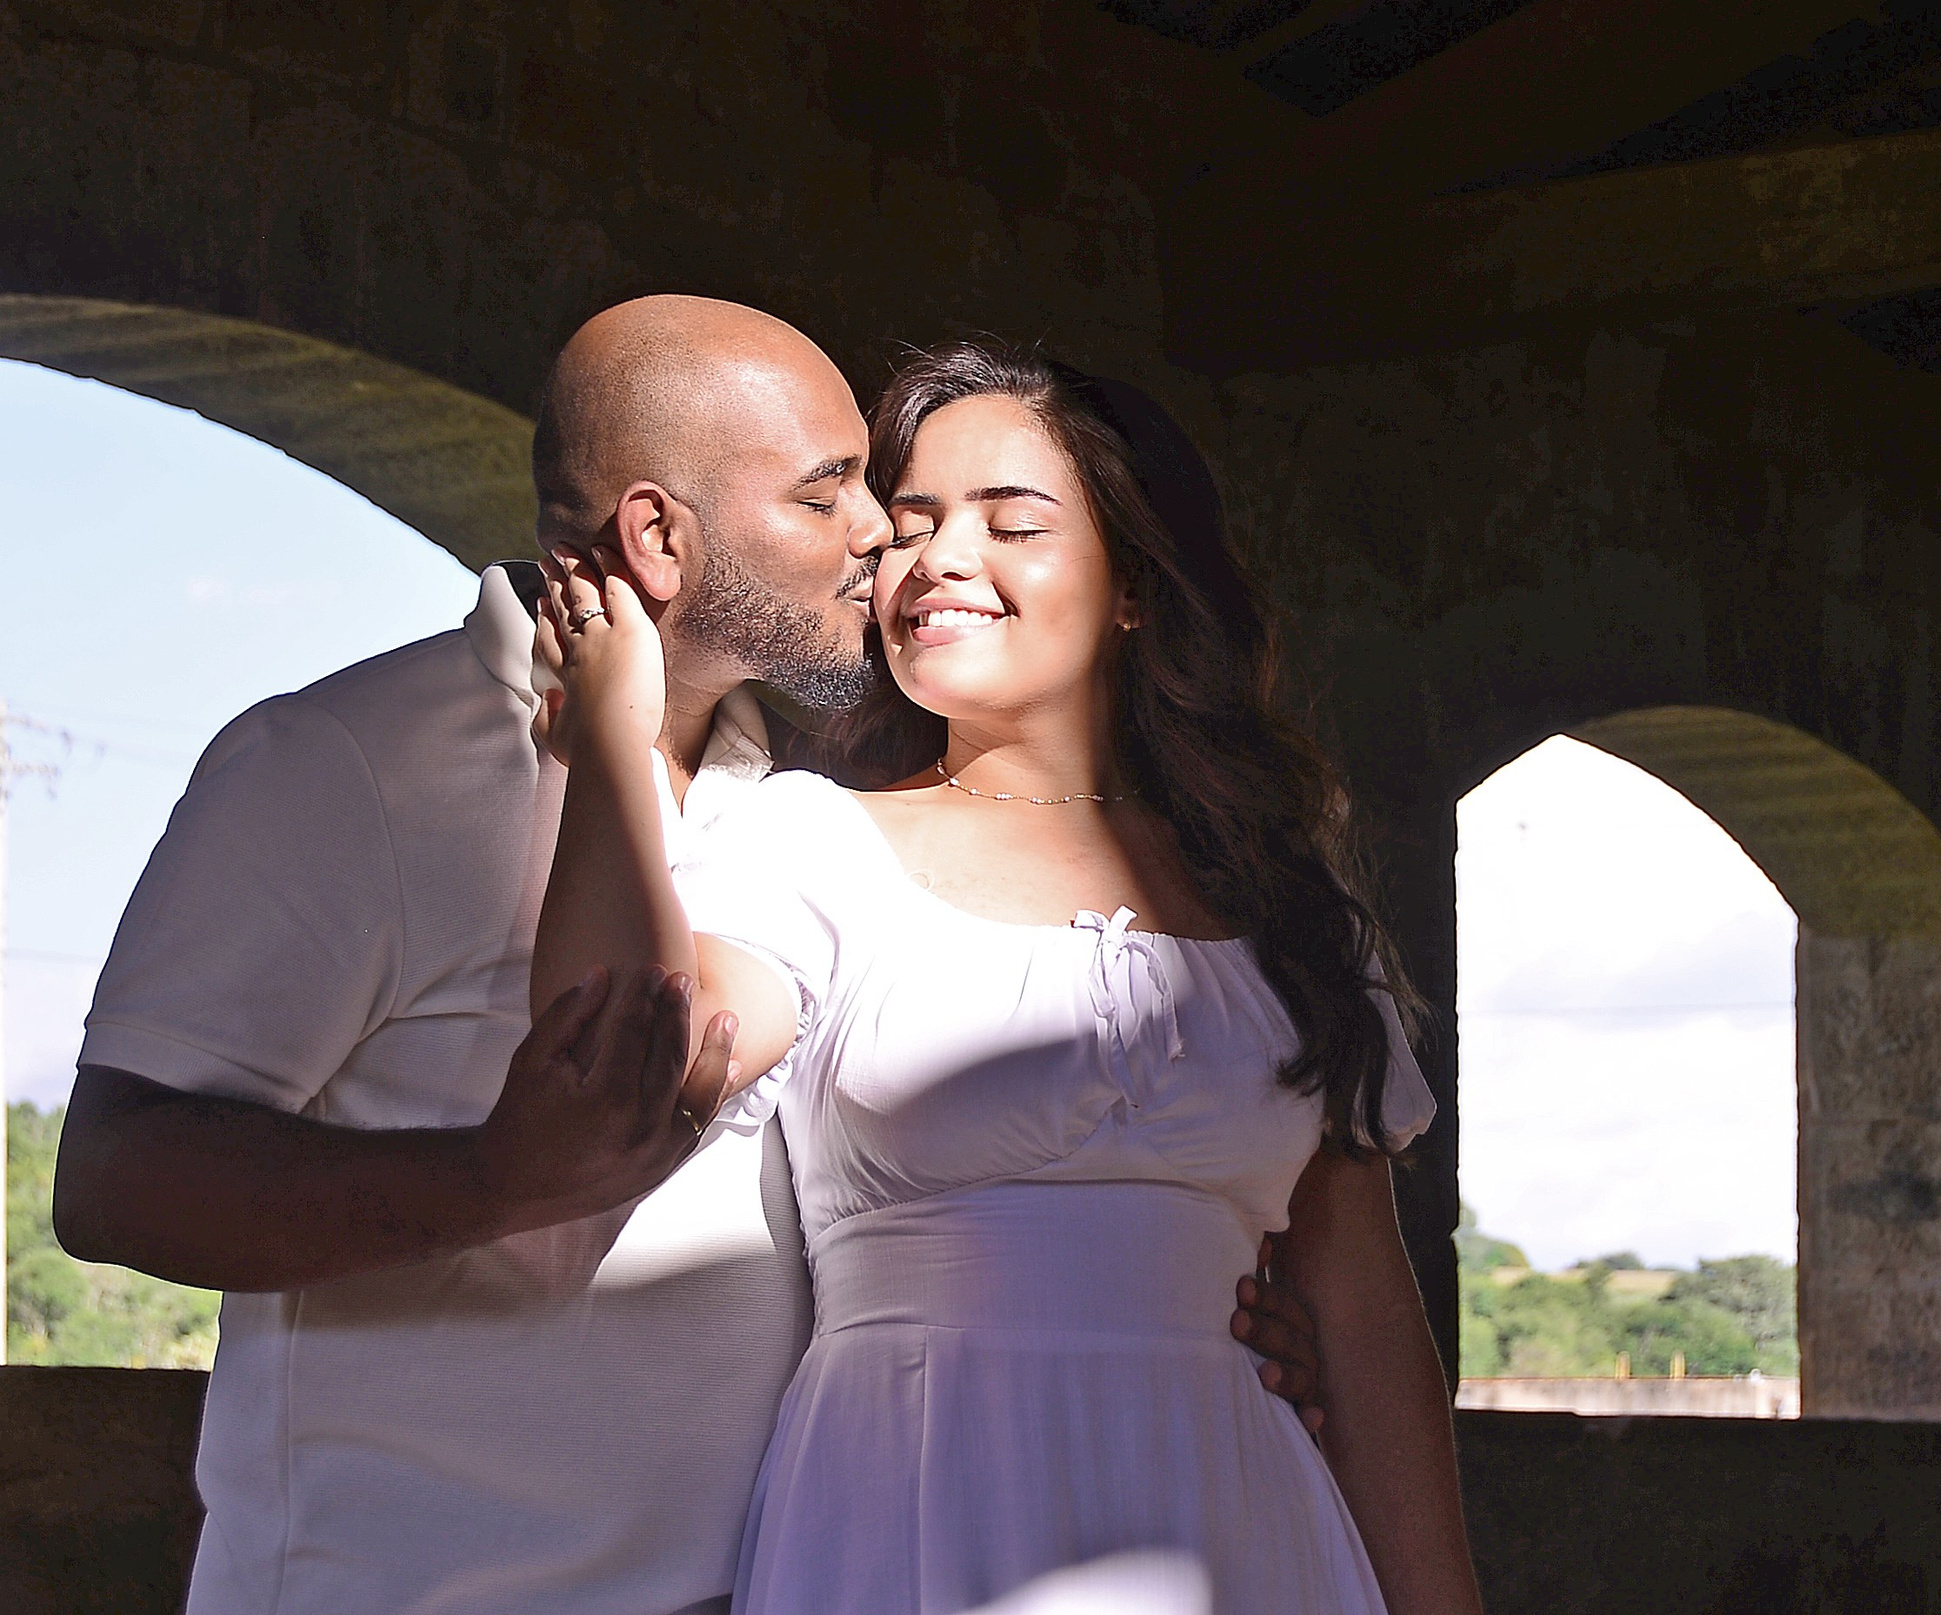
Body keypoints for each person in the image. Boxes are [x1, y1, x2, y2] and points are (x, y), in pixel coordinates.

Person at [51, 297, 1324, 1615]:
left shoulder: (808, 803)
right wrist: (492, 1179)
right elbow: (114, 1177)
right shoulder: (351, 763)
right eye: (832, 492)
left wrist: (1219, 1333)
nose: (882, 533)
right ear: (661, 533)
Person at [533, 340, 1483, 1614]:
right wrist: (609, 744)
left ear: (1135, 583)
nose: (936, 561)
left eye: (1010, 522)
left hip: (1243, 1522)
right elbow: (622, 1061)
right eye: (910, 523)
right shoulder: (817, 838)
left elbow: (1365, 1324)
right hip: (912, 1507)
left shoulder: (1290, 906)